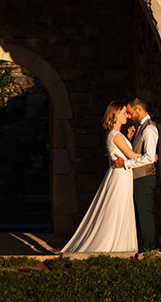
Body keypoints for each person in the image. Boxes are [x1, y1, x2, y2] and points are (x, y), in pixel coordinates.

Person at [60, 101, 140, 254]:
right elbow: (131, 156)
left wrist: (129, 139)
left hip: (121, 175)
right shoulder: (116, 135)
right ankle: (112, 244)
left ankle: (119, 243)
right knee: (116, 210)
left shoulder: (115, 134)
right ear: (116, 115)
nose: (126, 116)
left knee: (119, 209)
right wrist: (150, 157)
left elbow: (123, 153)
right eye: (124, 113)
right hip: (120, 177)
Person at [112, 97, 159, 251]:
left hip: (144, 178)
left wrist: (125, 164)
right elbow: (139, 153)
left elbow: (150, 158)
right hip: (137, 178)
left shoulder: (149, 129)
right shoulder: (140, 128)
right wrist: (131, 140)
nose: (129, 116)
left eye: (130, 112)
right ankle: (141, 247)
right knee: (139, 214)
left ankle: (149, 250)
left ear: (139, 109)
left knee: (145, 215)